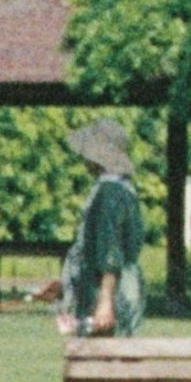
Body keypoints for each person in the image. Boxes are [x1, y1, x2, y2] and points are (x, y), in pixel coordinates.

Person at [59, 116, 148, 338]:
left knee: (102, 359)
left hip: (109, 291)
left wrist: (105, 301)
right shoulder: (123, 189)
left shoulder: (109, 193)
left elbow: (111, 250)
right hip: (119, 287)